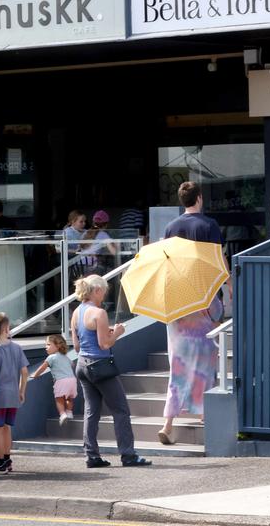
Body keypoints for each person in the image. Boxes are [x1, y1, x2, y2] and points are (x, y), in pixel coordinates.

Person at [158, 181, 225, 445]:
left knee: (178, 365)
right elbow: (217, 261)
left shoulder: (170, 228)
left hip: (176, 302)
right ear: (199, 198)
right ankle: (204, 415)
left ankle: (168, 423)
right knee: (206, 362)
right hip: (202, 297)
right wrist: (226, 287)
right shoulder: (209, 225)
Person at [71, 275, 151, 468]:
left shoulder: (77, 312)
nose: (105, 294)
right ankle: (128, 454)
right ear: (97, 291)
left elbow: (76, 345)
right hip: (100, 366)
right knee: (121, 410)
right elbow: (104, 343)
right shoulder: (99, 313)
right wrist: (117, 332)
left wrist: (106, 332)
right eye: (104, 290)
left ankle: (91, 455)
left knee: (91, 412)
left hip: (82, 364)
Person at [0, 312, 27, 474]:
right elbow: (24, 372)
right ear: (6, 329)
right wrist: (21, 391)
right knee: (7, 427)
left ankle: (0, 460)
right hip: (13, 394)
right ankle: (7, 459)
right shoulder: (16, 348)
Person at [32, 333, 77, 426]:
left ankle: (62, 414)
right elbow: (73, 364)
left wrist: (35, 375)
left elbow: (43, 367)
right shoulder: (65, 357)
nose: (46, 347)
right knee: (69, 398)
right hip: (72, 380)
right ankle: (69, 412)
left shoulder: (51, 357)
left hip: (60, 381)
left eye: (48, 344)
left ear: (57, 346)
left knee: (59, 399)